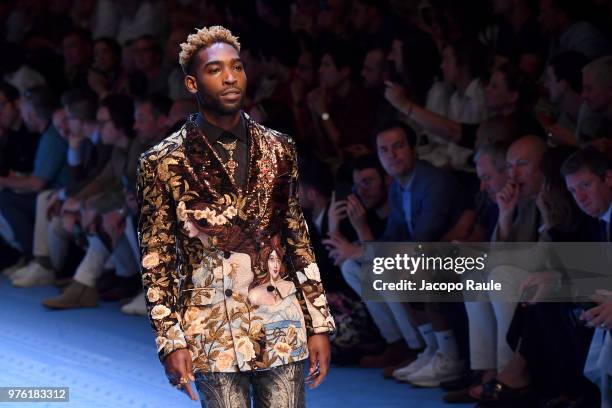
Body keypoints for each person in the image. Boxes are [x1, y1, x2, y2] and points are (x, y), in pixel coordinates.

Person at [137, 26, 335, 407]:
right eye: (215, 70)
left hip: (280, 320)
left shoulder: (280, 148)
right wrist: (169, 339)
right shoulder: (162, 163)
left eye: (237, 67)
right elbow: (156, 259)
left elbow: (298, 239)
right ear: (192, 83)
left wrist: (319, 324)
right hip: (211, 327)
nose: (230, 77)